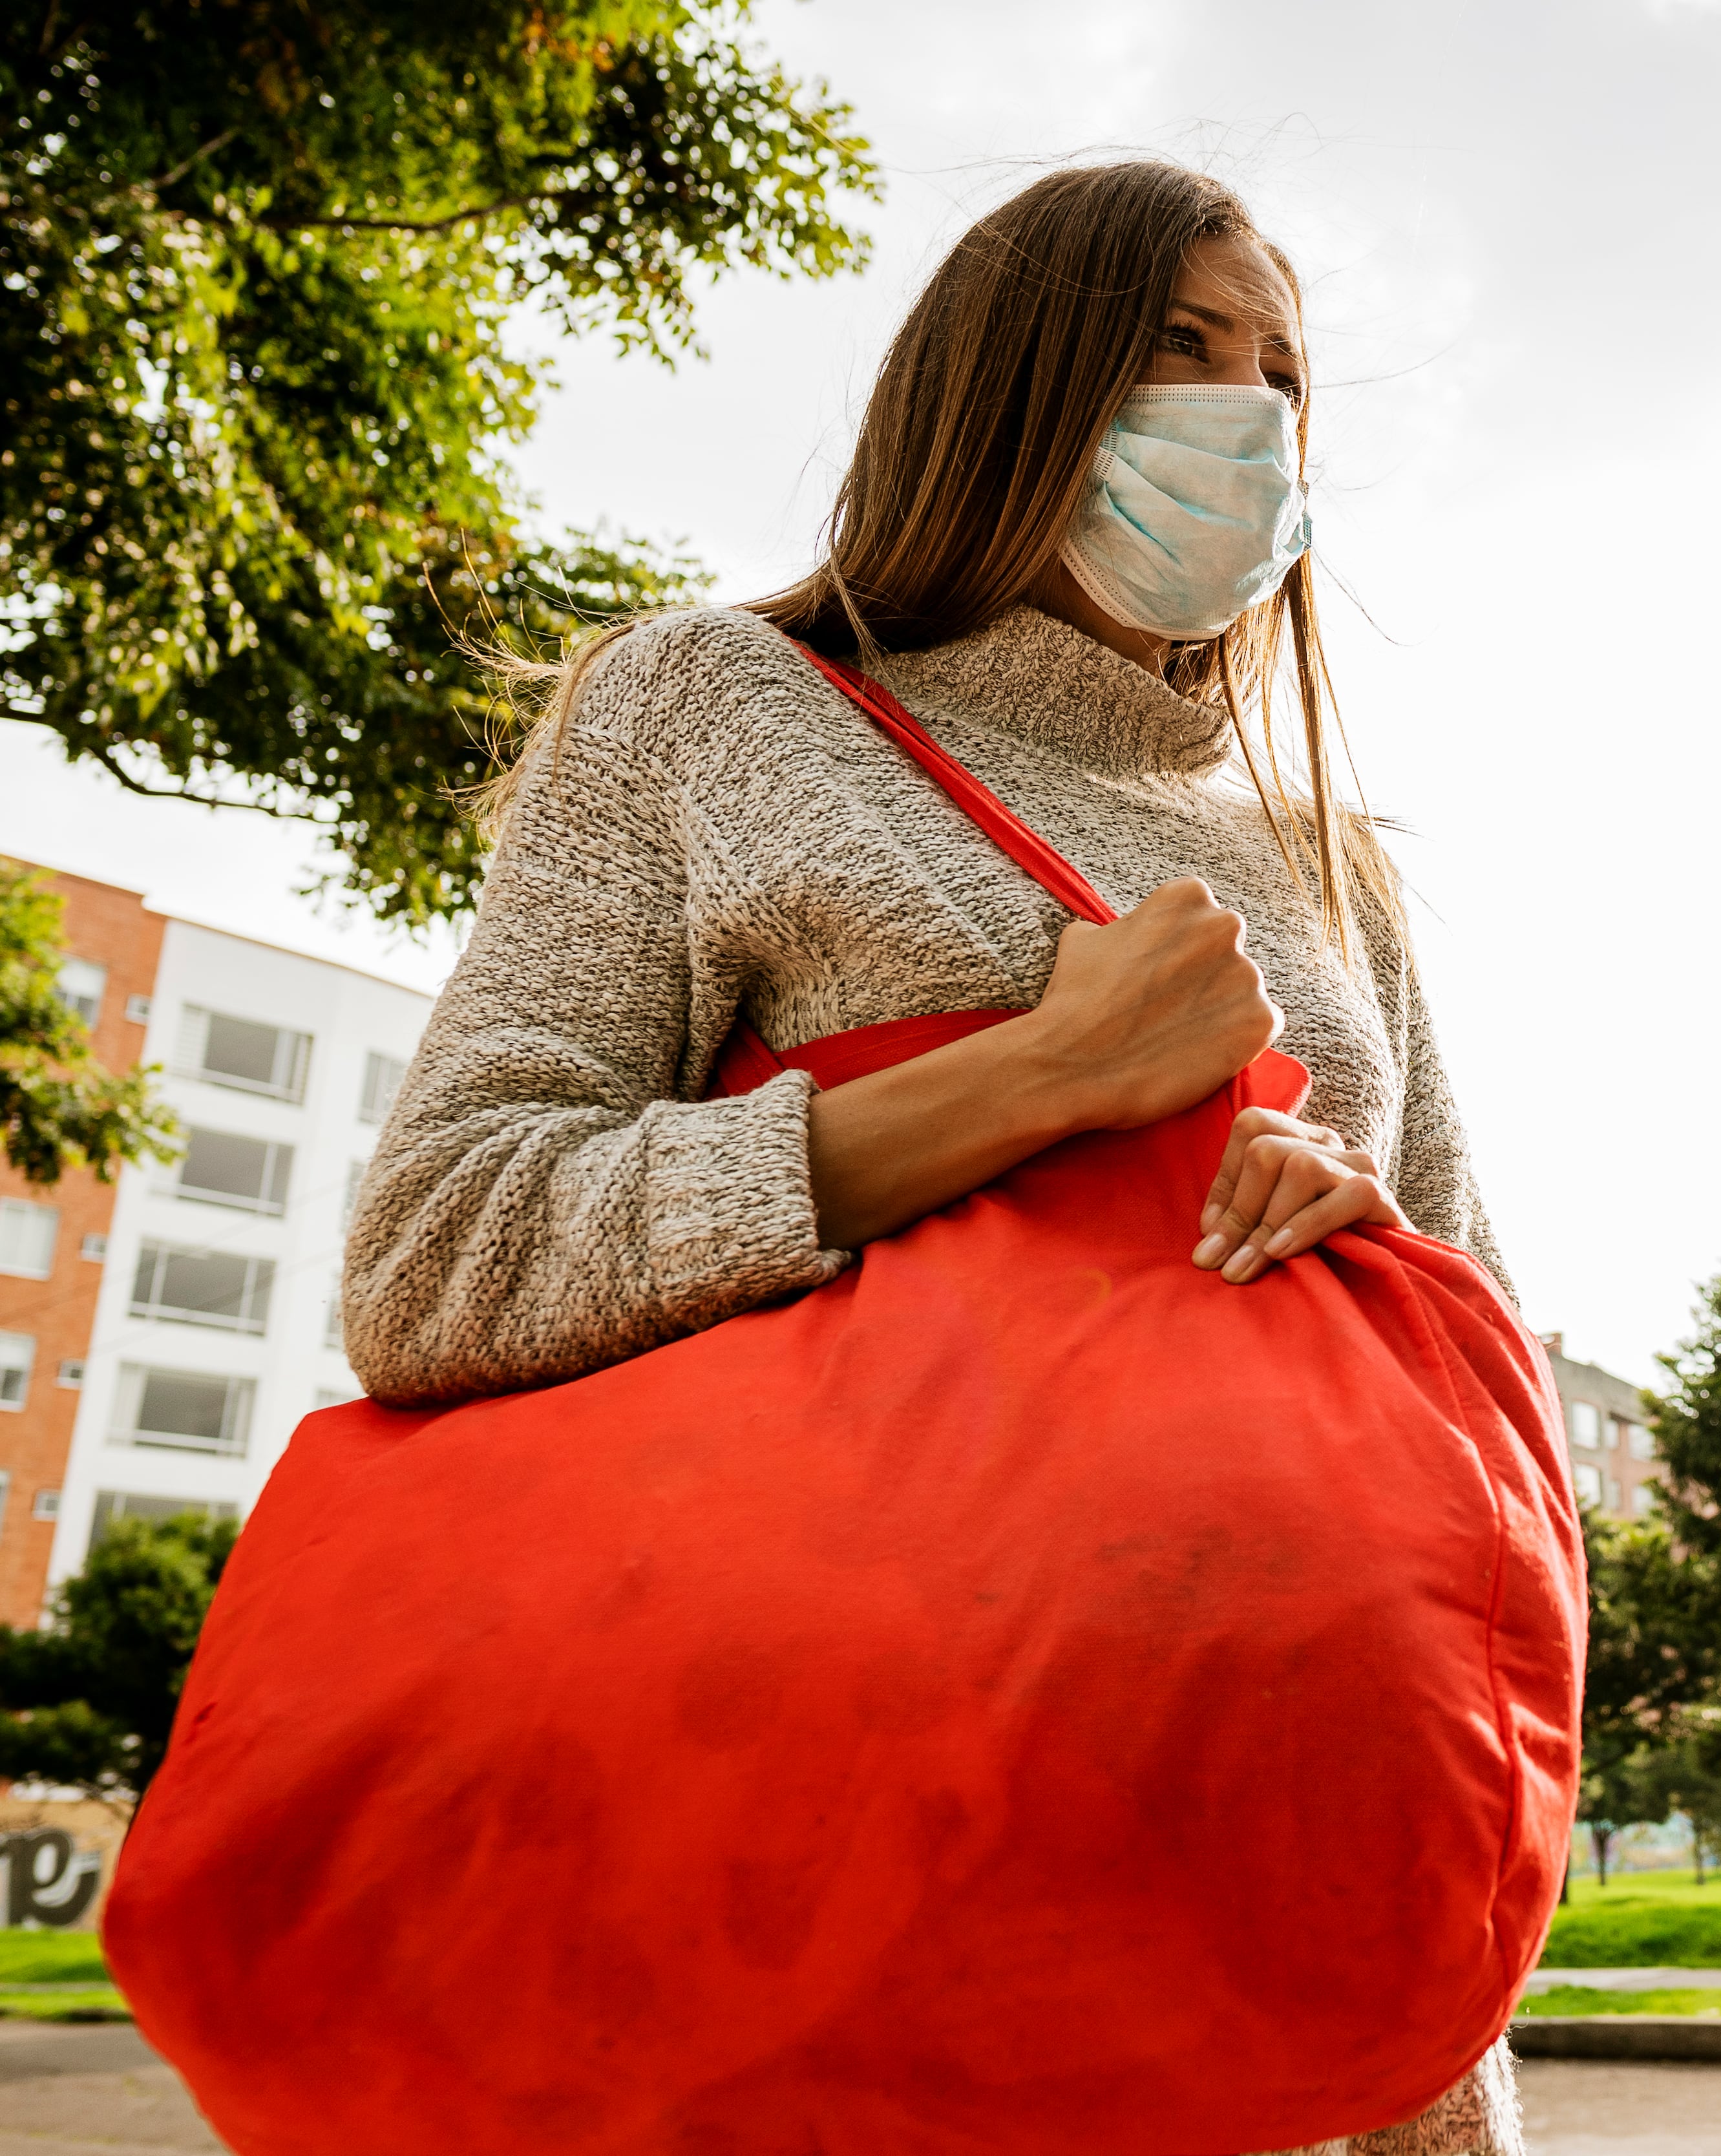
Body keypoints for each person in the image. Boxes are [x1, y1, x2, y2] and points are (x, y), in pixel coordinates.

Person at [340, 160, 1527, 2156]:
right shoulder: (715, 709)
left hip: (1310, 1920)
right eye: (1177, 346)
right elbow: (438, 1259)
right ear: (1010, 379)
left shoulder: (1341, 866)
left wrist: (1366, 1246)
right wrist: (1031, 1083)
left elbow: (1487, 1391)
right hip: (859, 1883)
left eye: (1282, 372)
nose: (1246, 413)